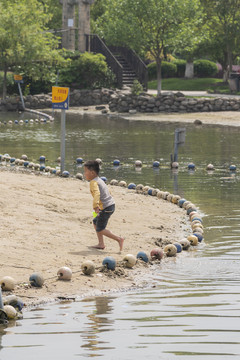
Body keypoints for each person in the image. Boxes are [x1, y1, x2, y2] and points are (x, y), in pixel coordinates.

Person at [84, 160, 124, 251]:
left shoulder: (93, 182)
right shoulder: (99, 180)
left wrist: (95, 206)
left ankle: (119, 239)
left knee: (100, 228)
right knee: (95, 222)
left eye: (85, 171)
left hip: (106, 208)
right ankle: (101, 244)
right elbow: (107, 191)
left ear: (92, 172)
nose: (84, 173)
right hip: (108, 206)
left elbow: (97, 194)